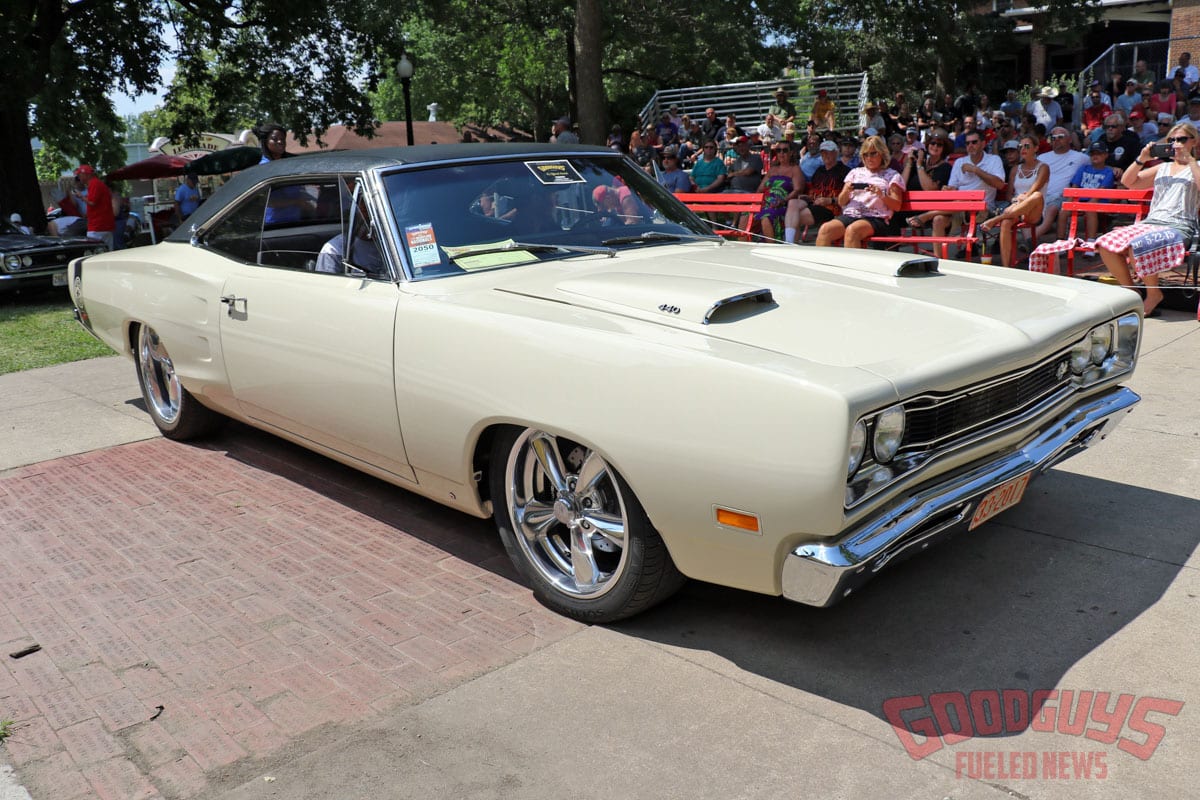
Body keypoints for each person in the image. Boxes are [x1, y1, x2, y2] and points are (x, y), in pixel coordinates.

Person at [1095, 123, 1200, 316]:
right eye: (1172, 140)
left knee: (1139, 244)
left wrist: (1191, 160)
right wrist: (1141, 159)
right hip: (1151, 223)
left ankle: (1153, 294)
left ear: (1194, 141)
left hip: (1180, 226)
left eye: (1182, 139)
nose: (1176, 144)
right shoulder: (1163, 167)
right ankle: (1132, 291)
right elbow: (1128, 182)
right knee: (1105, 243)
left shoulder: (1197, 166)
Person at [814, 135, 904, 248]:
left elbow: (897, 206)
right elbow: (841, 202)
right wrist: (846, 191)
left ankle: (851, 261)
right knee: (825, 230)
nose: (869, 158)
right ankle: (822, 260)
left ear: (882, 154)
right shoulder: (855, 172)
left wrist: (882, 195)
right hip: (851, 214)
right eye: (865, 154)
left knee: (853, 230)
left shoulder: (892, 175)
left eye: (873, 153)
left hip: (876, 217)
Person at [981, 134, 1049, 267]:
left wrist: (1024, 198)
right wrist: (1016, 200)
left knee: (1037, 196)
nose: (1023, 149)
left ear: (1036, 148)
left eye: (1027, 146)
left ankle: (996, 219)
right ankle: (1006, 267)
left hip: (1034, 210)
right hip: (1016, 208)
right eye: (1020, 146)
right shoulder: (1015, 169)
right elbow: (1008, 195)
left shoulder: (1043, 167)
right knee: (1006, 223)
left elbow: (1035, 189)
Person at [1036, 126, 1090, 239]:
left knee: (1052, 209)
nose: (1056, 140)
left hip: (1062, 196)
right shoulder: (1042, 158)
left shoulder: (1081, 158)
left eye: (1060, 137)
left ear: (1069, 139)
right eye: (1053, 137)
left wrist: (1114, 168)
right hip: (1040, 195)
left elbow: (1098, 165)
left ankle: (1029, 240)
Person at [792, 140, 848, 236]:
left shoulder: (845, 171)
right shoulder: (819, 170)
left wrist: (830, 200)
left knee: (795, 217)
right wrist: (808, 197)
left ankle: (790, 241)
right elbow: (814, 190)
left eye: (828, 152)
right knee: (792, 205)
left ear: (836, 153)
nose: (825, 155)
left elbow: (848, 197)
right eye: (823, 153)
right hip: (814, 204)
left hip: (832, 209)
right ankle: (792, 241)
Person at [902, 129, 954, 231]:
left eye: (939, 145)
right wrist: (909, 163)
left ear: (944, 148)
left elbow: (931, 189)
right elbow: (901, 184)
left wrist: (919, 165)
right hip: (909, 208)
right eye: (932, 143)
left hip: (930, 211)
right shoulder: (919, 162)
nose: (935, 146)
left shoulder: (945, 167)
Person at [754, 143, 804, 242]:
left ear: (791, 153)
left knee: (766, 215)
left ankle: (771, 247)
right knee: (746, 214)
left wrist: (783, 200)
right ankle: (743, 246)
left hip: (783, 205)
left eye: (785, 150)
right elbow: (760, 189)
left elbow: (798, 190)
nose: (781, 153)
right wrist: (756, 201)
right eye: (778, 150)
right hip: (766, 202)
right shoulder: (772, 169)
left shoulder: (795, 169)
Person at [1069, 141, 1118, 241]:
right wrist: (1070, 202)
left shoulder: (1108, 171)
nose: (1095, 156)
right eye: (1092, 154)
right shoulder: (1083, 168)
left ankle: (1091, 241)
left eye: (1098, 153)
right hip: (1081, 199)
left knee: (1090, 208)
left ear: (1105, 155)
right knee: (1063, 211)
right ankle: (1061, 239)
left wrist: (1090, 203)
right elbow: (1075, 187)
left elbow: (1101, 190)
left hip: (1099, 201)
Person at [74, 165, 114, 250]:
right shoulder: (97, 183)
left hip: (98, 226)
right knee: (108, 252)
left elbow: (92, 202)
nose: (79, 177)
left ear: (86, 174)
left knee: (95, 251)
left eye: (79, 175)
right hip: (104, 225)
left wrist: (81, 196)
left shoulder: (94, 184)